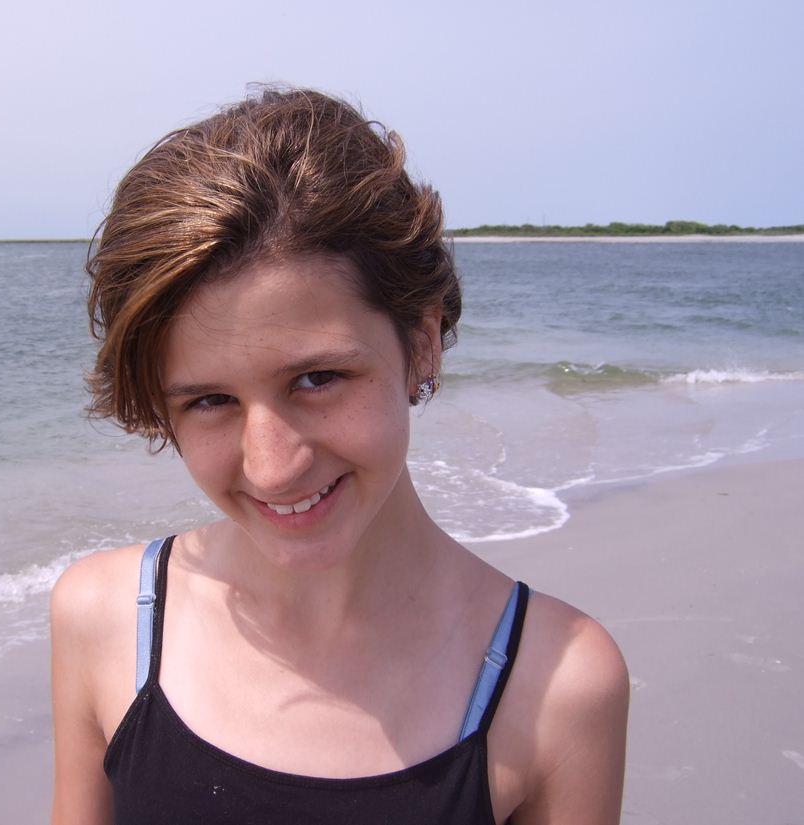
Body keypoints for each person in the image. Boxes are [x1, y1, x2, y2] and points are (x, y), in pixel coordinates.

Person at [50, 87, 628, 825]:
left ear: (422, 342)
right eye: (211, 400)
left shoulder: (555, 684)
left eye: (318, 378)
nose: (273, 466)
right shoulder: (105, 620)